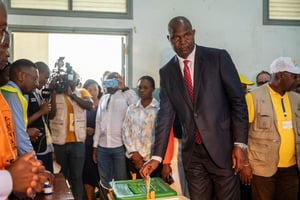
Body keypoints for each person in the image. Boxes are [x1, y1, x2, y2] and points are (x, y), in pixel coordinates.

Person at [140, 16, 248, 200]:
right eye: (176, 37)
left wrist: (240, 144)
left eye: (187, 35)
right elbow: (165, 116)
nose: (182, 42)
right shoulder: (167, 72)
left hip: (223, 150)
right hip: (193, 154)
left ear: (194, 33)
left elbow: (238, 102)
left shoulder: (218, 58)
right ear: (169, 39)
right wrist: (157, 157)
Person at [0, 2, 47, 198]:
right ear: (20, 76)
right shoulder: (11, 94)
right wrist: (11, 179)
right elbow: (19, 137)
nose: (8, 53)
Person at [240, 57, 300, 200]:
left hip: (291, 169)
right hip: (262, 169)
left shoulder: (296, 99)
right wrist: (245, 164)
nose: (297, 80)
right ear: (281, 75)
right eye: (293, 76)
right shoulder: (253, 97)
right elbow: (241, 133)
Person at [50, 66, 93, 200]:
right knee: (62, 176)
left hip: (77, 142)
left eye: (73, 77)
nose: (70, 81)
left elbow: (90, 105)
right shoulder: (55, 94)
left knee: (76, 177)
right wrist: (52, 92)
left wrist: (72, 95)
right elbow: (50, 115)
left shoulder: (82, 92)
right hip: (59, 142)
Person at [93, 72, 138, 191]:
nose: (108, 85)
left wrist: (125, 88)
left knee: (121, 182)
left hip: (119, 146)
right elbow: (98, 122)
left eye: (111, 81)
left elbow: (136, 106)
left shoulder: (126, 95)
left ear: (117, 81)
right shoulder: (103, 98)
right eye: (106, 82)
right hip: (102, 147)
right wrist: (95, 146)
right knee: (105, 181)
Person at [122, 75, 160, 178]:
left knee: (150, 190)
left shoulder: (158, 109)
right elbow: (126, 131)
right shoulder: (132, 108)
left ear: (152, 89)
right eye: (139, 87)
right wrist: (134, 153)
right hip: (133, 159)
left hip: (151, 161)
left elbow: (159, 136)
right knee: (133, 189)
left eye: (145, 88)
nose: (141, 90)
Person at [26, 61, 55, 173]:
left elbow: (47, 119)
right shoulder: (25, 95)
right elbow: (21, 124)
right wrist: (41, 112)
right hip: (34, 147)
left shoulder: (38, 93)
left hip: (45, 146)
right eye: (45, 77)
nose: (46, 81)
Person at [82, 79, 102, 200]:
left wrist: (95, 130)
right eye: (90, 90)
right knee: (88, 172)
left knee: (101, 172)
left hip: (102, 144)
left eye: (95, 89)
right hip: (86, 144)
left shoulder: (104, 103)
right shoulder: (83, 105)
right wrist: (85, 129)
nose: (93, 92)